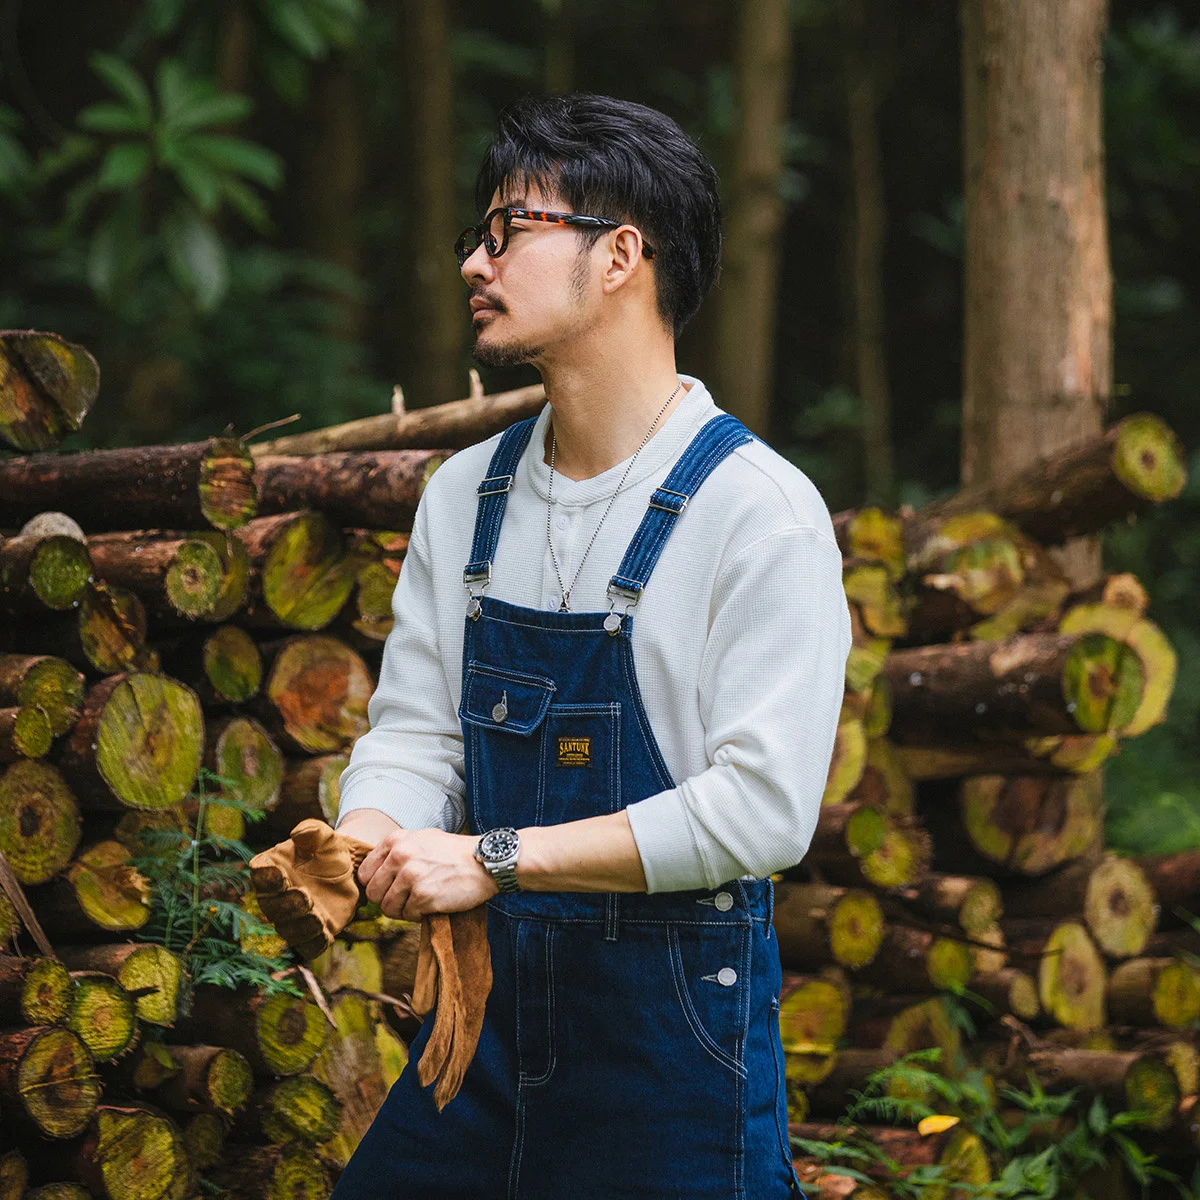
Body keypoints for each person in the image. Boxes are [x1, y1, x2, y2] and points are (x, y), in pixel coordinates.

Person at [329, 92, 851, 1200]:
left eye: (510, 231)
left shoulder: (759, 511)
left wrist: (489, 859)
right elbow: (417, 732)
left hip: (669, 1060)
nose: (477, 260)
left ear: (621, 256)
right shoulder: (464, 494)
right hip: (479, 1042)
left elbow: (763, 808)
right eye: (478, 234)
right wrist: (362, 835)